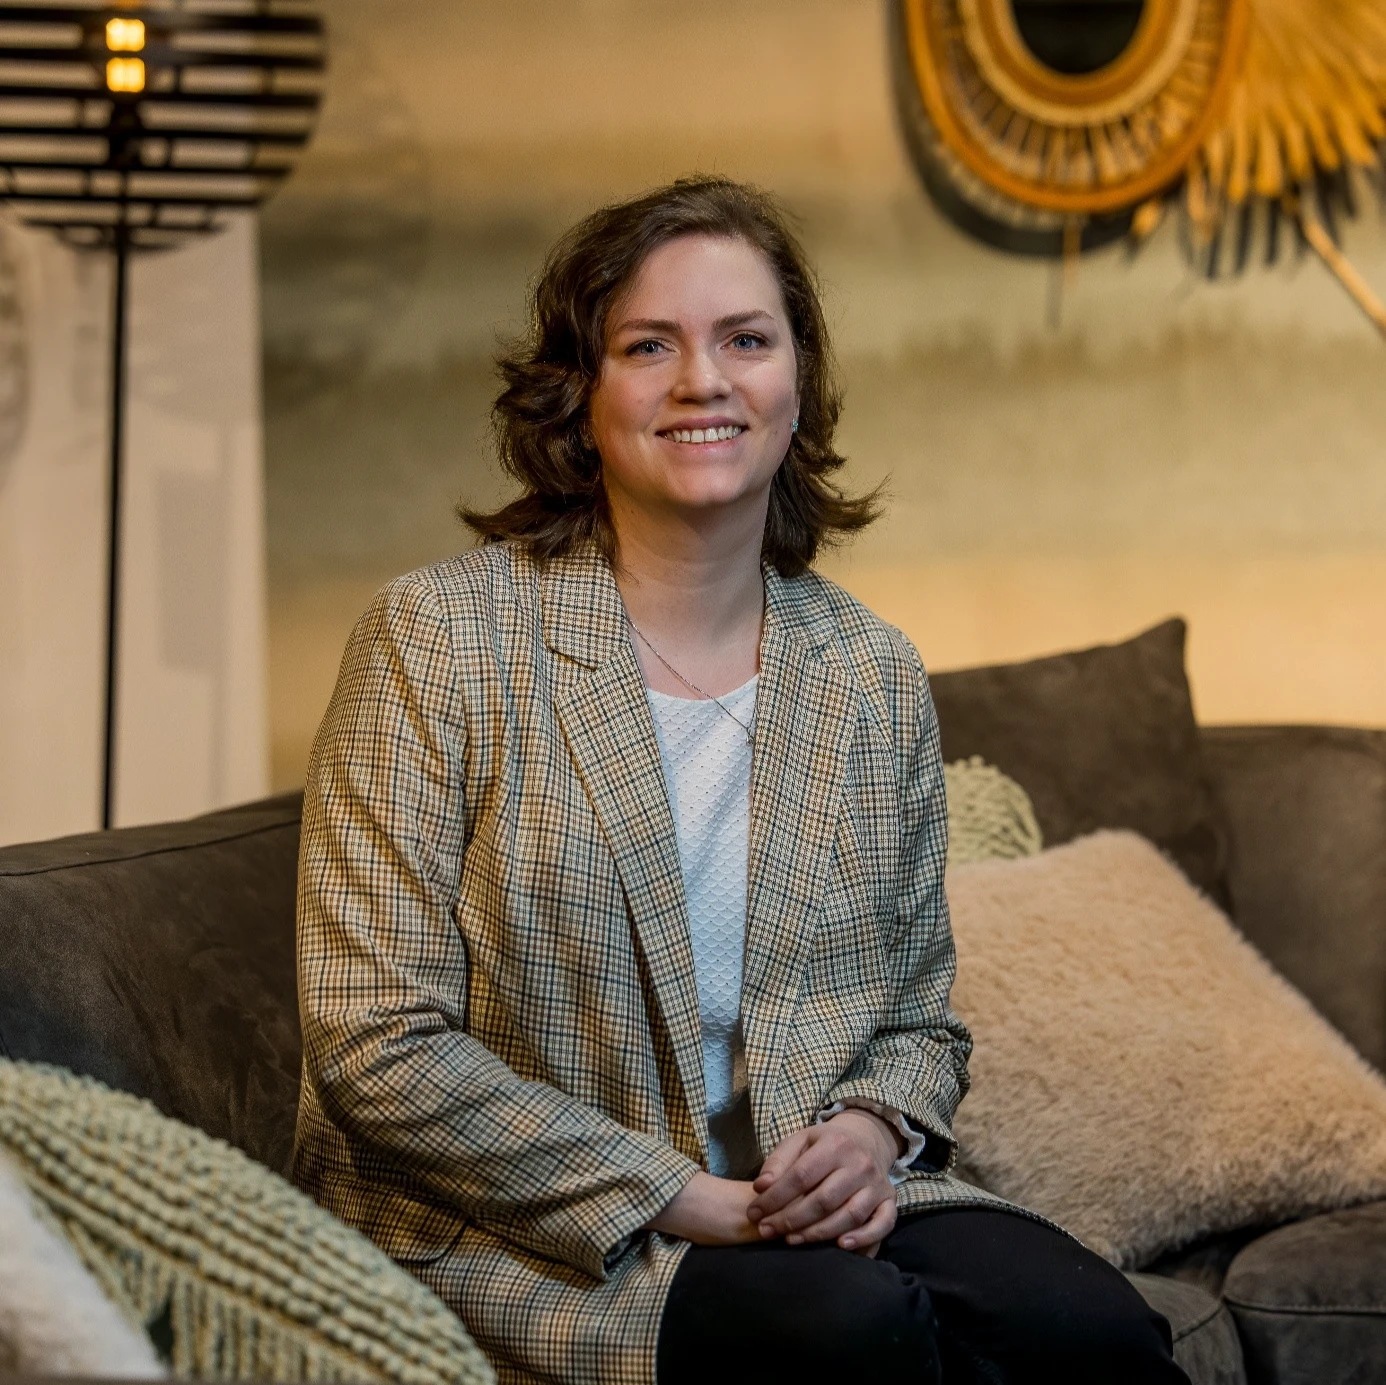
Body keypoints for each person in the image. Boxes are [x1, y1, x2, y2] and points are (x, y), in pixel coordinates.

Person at [293, 176, 1188, 1385]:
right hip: (527, 1227)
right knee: (847, 1330)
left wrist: (868, 1132)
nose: (702, 381)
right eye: (647, 345)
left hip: (795, 1202)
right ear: (580, 392)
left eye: (745, 340)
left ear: (796, 382)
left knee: (1097, 1332)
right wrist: (686, 1197)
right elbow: (375, 1039)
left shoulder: (870, 672)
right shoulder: (435, 640)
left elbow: (918, 1016)